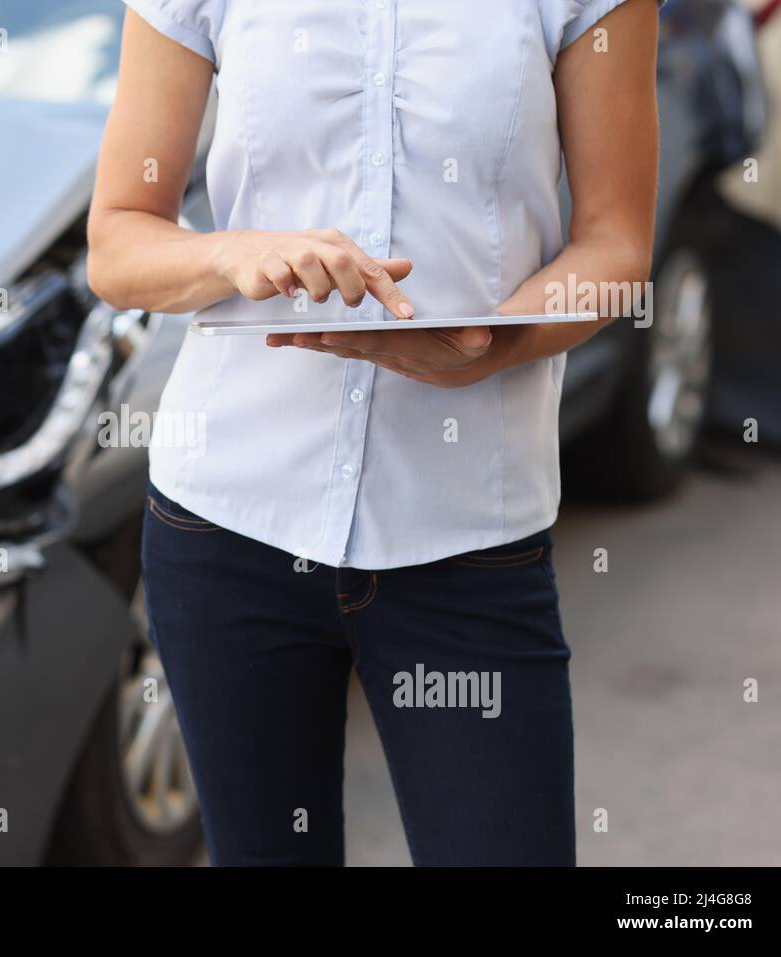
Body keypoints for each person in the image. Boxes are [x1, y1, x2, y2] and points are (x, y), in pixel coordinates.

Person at [87, 0, 662, 866]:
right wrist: (229, 254)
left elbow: (616, 246)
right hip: (228, 531)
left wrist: (492, 345)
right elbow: (118, 241)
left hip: (467, 541)